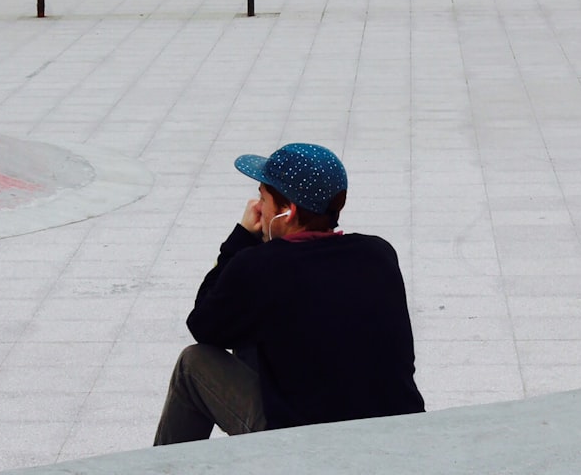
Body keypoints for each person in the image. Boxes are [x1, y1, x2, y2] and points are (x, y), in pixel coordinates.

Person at [153, 143, 424, 445]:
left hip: (309, 444)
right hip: (398, 429)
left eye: (263, 197)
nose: (258, 206)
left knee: (193, 364)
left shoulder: (261, 266)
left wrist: (242, 237)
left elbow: (203, 325)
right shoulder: (378, 252)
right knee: (252, 337)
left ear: (287, 210)